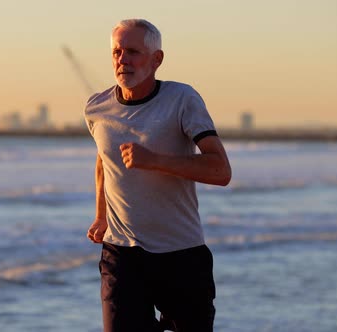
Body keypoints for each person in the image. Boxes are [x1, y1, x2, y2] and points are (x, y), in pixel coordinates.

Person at [84, 18, 232, 332]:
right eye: (116, 52)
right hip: (121, 254)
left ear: (157, 59)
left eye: (133, 52)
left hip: (181, 255)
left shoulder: (182, 100)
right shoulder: (96, 107)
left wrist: (155, 160)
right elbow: (104, 161)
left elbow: (220, 170)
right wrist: (101, 216)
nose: (122, 60)